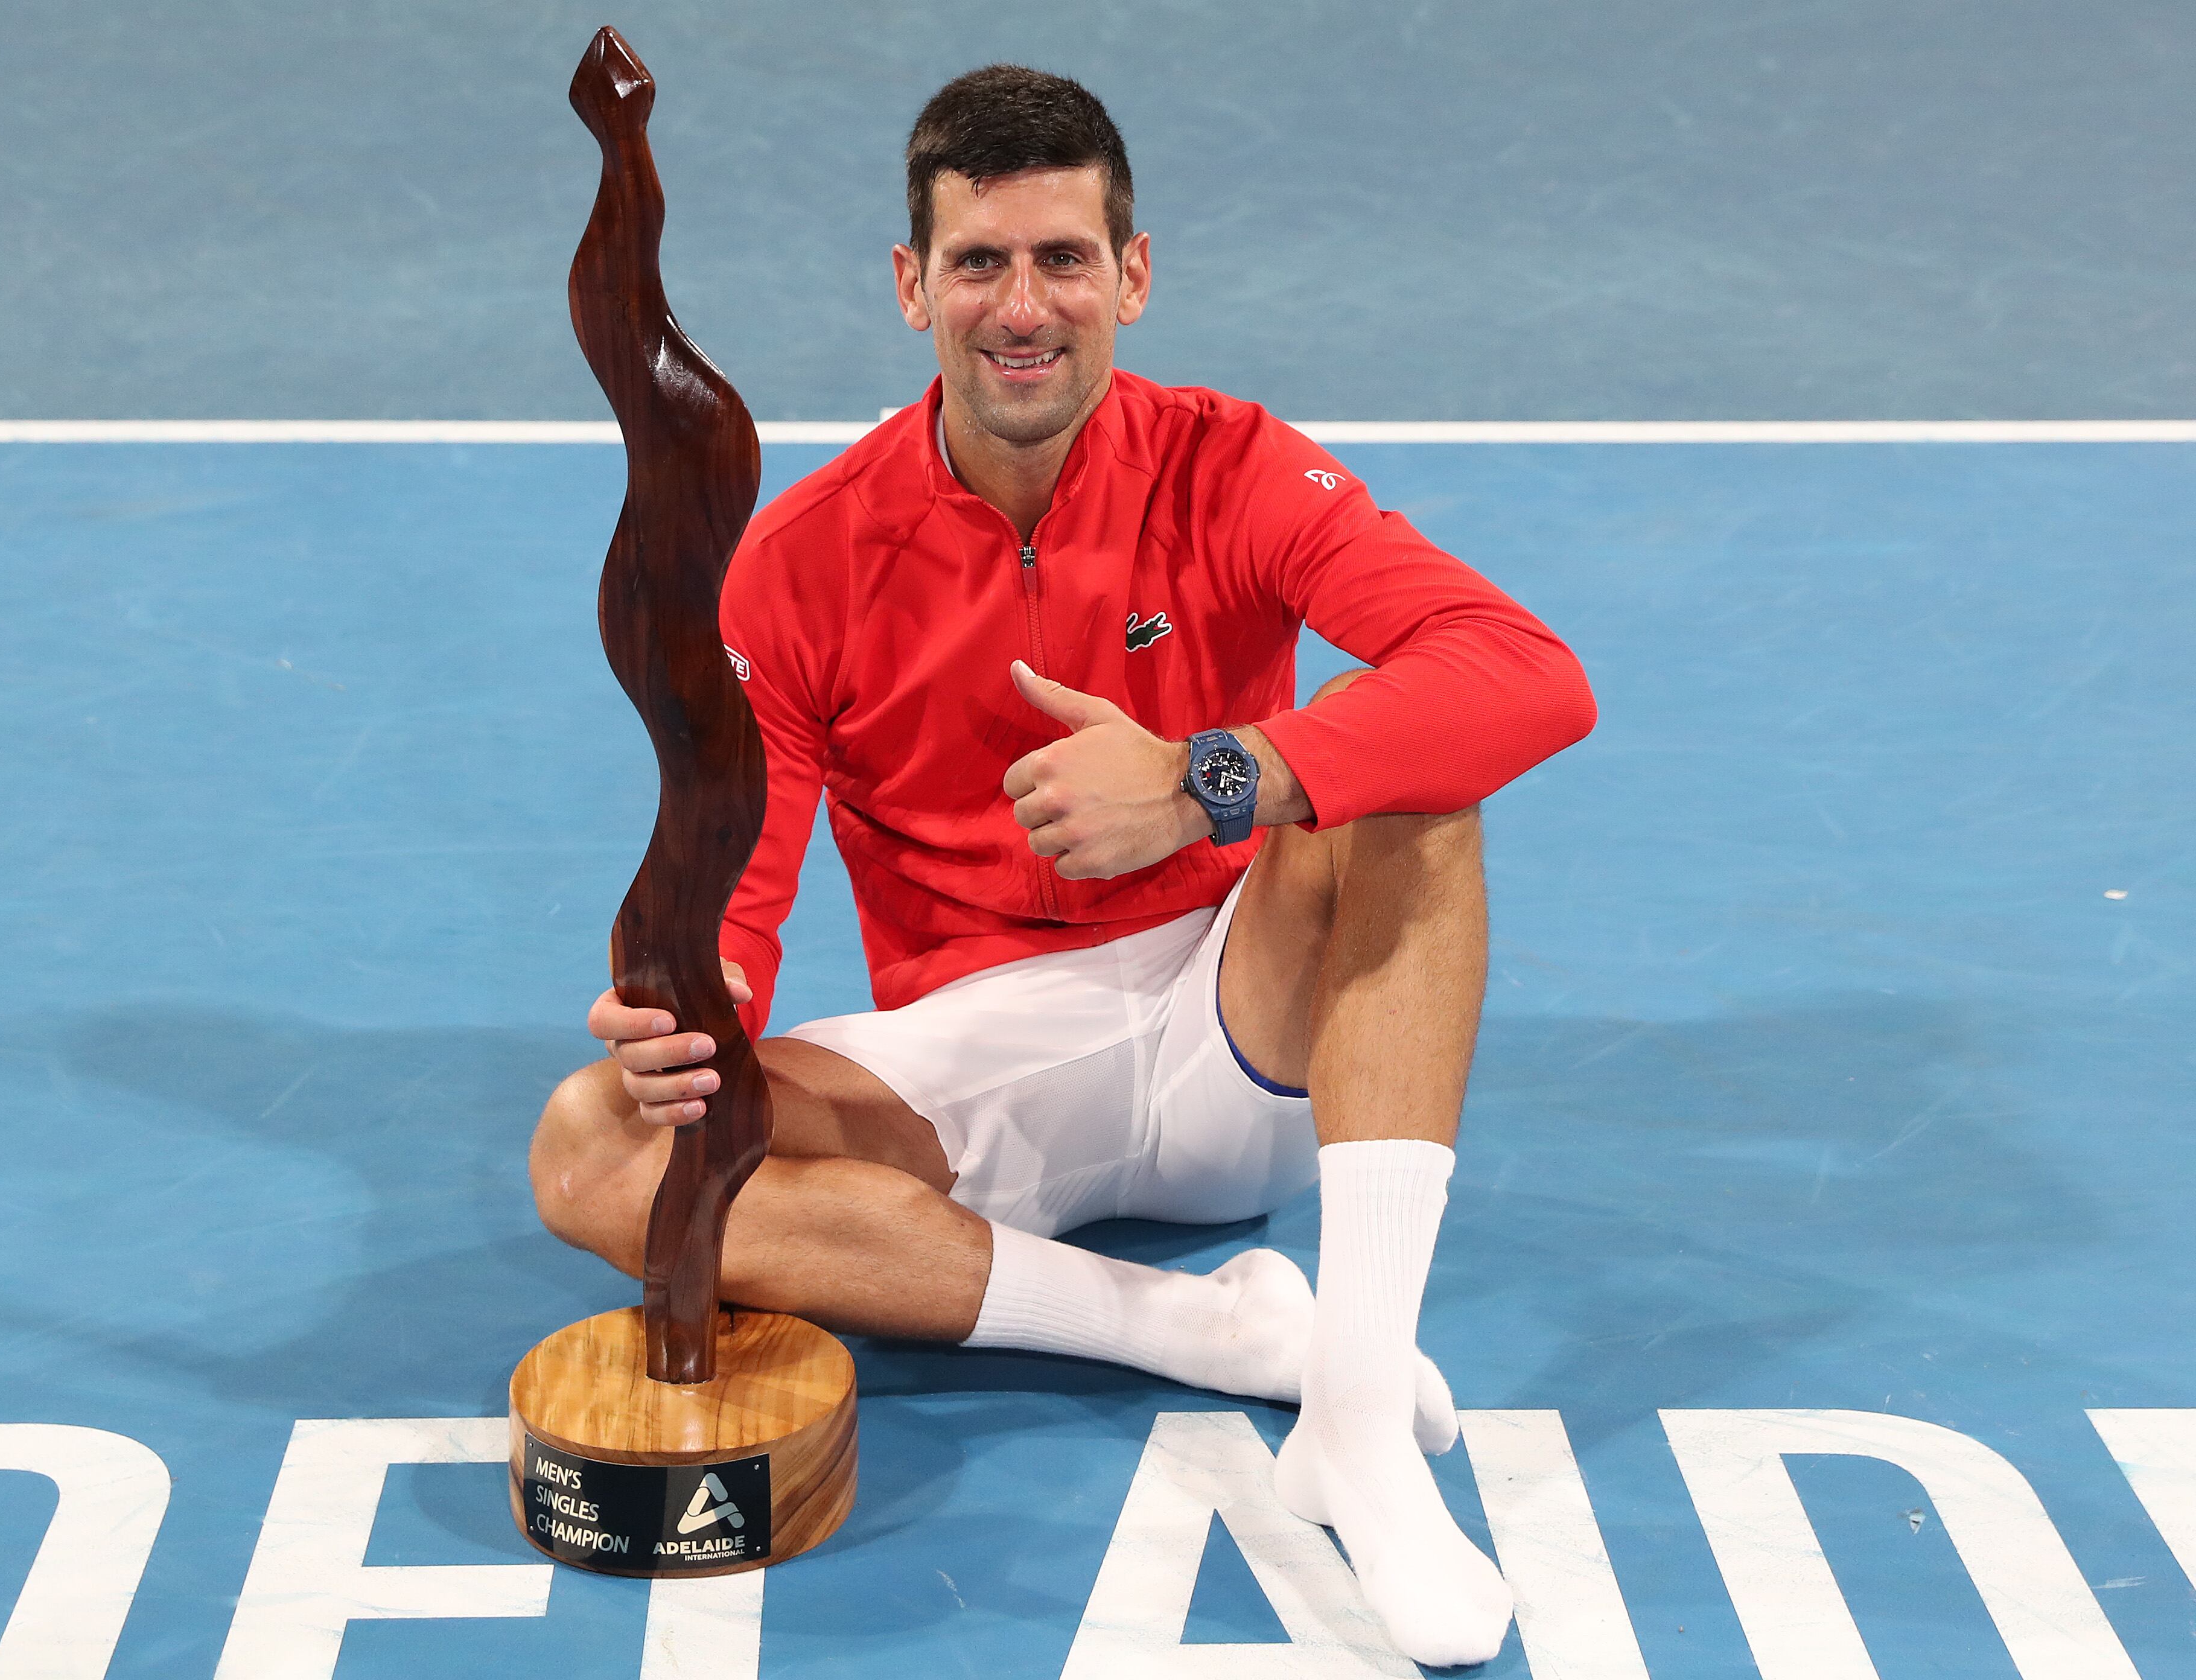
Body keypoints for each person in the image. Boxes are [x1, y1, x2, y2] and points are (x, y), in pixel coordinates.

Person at [531, 63, 1594, 1668]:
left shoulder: (1236, 468)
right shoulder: (805, 553)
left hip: (1238, 1035)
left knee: (1412, 792)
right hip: (975, 1085)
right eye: (978, 264)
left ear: (1134, 276)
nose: (1021, 307)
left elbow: (1528, 673)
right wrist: (704, 998)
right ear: (912, 289)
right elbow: (743, 879)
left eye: (1063, 261)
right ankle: (1207, 1330)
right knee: (590, 1145)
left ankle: (1358, 1417)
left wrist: (1204, 783)